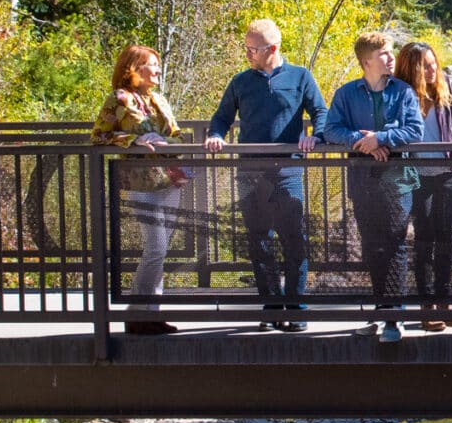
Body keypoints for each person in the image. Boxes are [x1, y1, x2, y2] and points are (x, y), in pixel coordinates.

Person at [202, 18, 327, 330]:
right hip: (250, 172)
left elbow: (321, 113)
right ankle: (271, 307)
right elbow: (221, 118)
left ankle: (295, 309)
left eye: (252, 49)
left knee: (294, 239)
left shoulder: (300, 77)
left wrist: (316, 136)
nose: (247, 54)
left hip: (288, 170)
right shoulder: (241, 82)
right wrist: (216, 135)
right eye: (245, 48)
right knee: (259, 241)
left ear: (272, 49)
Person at [321, 30, 424, 343]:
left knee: (395, 243)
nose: (391, 58)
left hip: (398, 179)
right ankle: (380, 311)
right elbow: (331, 130)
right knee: (372, 245)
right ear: (366, 61)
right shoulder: (347, 94)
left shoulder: (403, 92)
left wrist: (381, 138)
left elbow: (415, 130)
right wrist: (362, 142)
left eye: (390, 53)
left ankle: (395, 316)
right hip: (363, 178)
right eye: (384, 54)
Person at [94, 44, 187, 336]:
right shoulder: (119, 99)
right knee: (155, 246)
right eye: (152, 64)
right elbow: (99, 136)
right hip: (140, 182)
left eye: (158, 65)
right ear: (134, 68)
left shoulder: (159, 100)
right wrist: (132, 141)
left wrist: (162, 143)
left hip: (169, 180)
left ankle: (152, 313)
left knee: (161, 250)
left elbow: (178, 138)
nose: (158, 70)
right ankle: (136, 313)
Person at [397, 41, 452, 331]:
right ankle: (426, 306)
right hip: (416, 176)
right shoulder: (401, 92)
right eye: (425, 65)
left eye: (433, 63)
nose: (432, 69)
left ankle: (444, 300)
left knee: (447, 239)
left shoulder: (448, 85)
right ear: (411, 68)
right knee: (424, 240)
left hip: (449, 172)